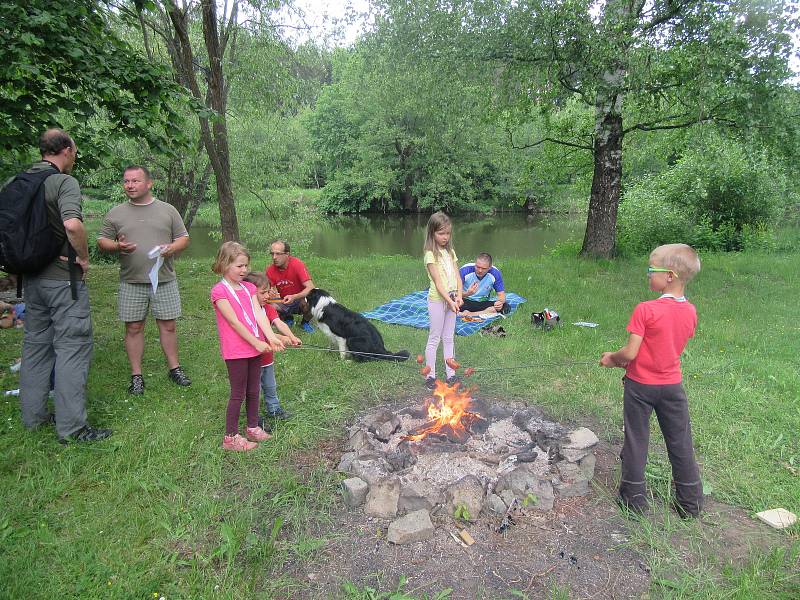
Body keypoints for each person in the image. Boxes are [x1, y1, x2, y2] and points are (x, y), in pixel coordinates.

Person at [12, 129, 111, 443]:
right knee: (72, 347)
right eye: (75, 150)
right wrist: (82, 257)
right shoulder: (63, 182)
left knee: (35, 346)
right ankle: (72, 428)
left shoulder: (16, 183)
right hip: (61, 279)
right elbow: (72, 224)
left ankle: (34, 417)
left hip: (31, 279)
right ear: (67, 150)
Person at [600, 243, 703, 518]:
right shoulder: (691, 312)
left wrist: (611, 358)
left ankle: (633, 500)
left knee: (636, 439)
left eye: (651, 269)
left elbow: (630, 353)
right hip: (672, 387)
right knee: (680, 441)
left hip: (640, 386)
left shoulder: (646, 309)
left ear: (669, 275)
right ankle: (690, 503)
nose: (648, 274)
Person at [97, 166, 191, 395]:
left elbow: (183, 238)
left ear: (149, 184)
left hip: (164, 279)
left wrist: (171, 248)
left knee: (168, 325)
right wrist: (117, 246)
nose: (130, 185)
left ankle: (174, 368)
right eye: (126, 181)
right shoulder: (116, 213)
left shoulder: (167, 210)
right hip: (131, 281)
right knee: (133, 327)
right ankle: (136, 375)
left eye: (135, 181)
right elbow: (102, 241)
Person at [211, 242, 285, 451]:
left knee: (254, 389)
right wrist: (256, 342)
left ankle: (252, 427)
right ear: (225, 264)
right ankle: (230, 437)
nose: (244, 270)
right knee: (238, 393)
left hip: (256, 348)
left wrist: (271, 338)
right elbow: (234, 322)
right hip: (236, 351)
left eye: (246, 266)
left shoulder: (250, 288)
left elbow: (258, 316)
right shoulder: (219, 292)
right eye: (239, 266)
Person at [243, 272, 301, 422]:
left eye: (268, 291)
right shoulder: (246, 313)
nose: (267, 295)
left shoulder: (268, 309)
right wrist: (278, 339)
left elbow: (279, 323)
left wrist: (292, 337)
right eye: (263, 293)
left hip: (268, 360)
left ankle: (274, 409)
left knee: (270, 386)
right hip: (252, 359)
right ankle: (254, 416)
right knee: (253, 390)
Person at [423, 212, 463, 390]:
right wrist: (450, 300)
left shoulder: (451, 252)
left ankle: (451, 375)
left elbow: (458, 276)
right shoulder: (430, 255)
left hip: (452, 299)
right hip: (438, 300)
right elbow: (439, 283)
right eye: (441, 233)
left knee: (449, 338)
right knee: (435, 337)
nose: (445, 237)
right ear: (432, 233)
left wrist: (459, 296)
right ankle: (430, 376)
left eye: (448, 233)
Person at [265, 240, 315, 333]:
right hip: (284, 300)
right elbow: (265, 290)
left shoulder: (297, 264)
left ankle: (305, 323)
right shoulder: (270, 270)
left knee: (313, 301)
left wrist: (295, 296)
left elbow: (311, 287)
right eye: (272, 254)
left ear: (287, 254)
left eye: (278, 254)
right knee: (269, 305)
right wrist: (269, 293)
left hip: (300, 298)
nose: (274, 257)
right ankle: (287, 318)